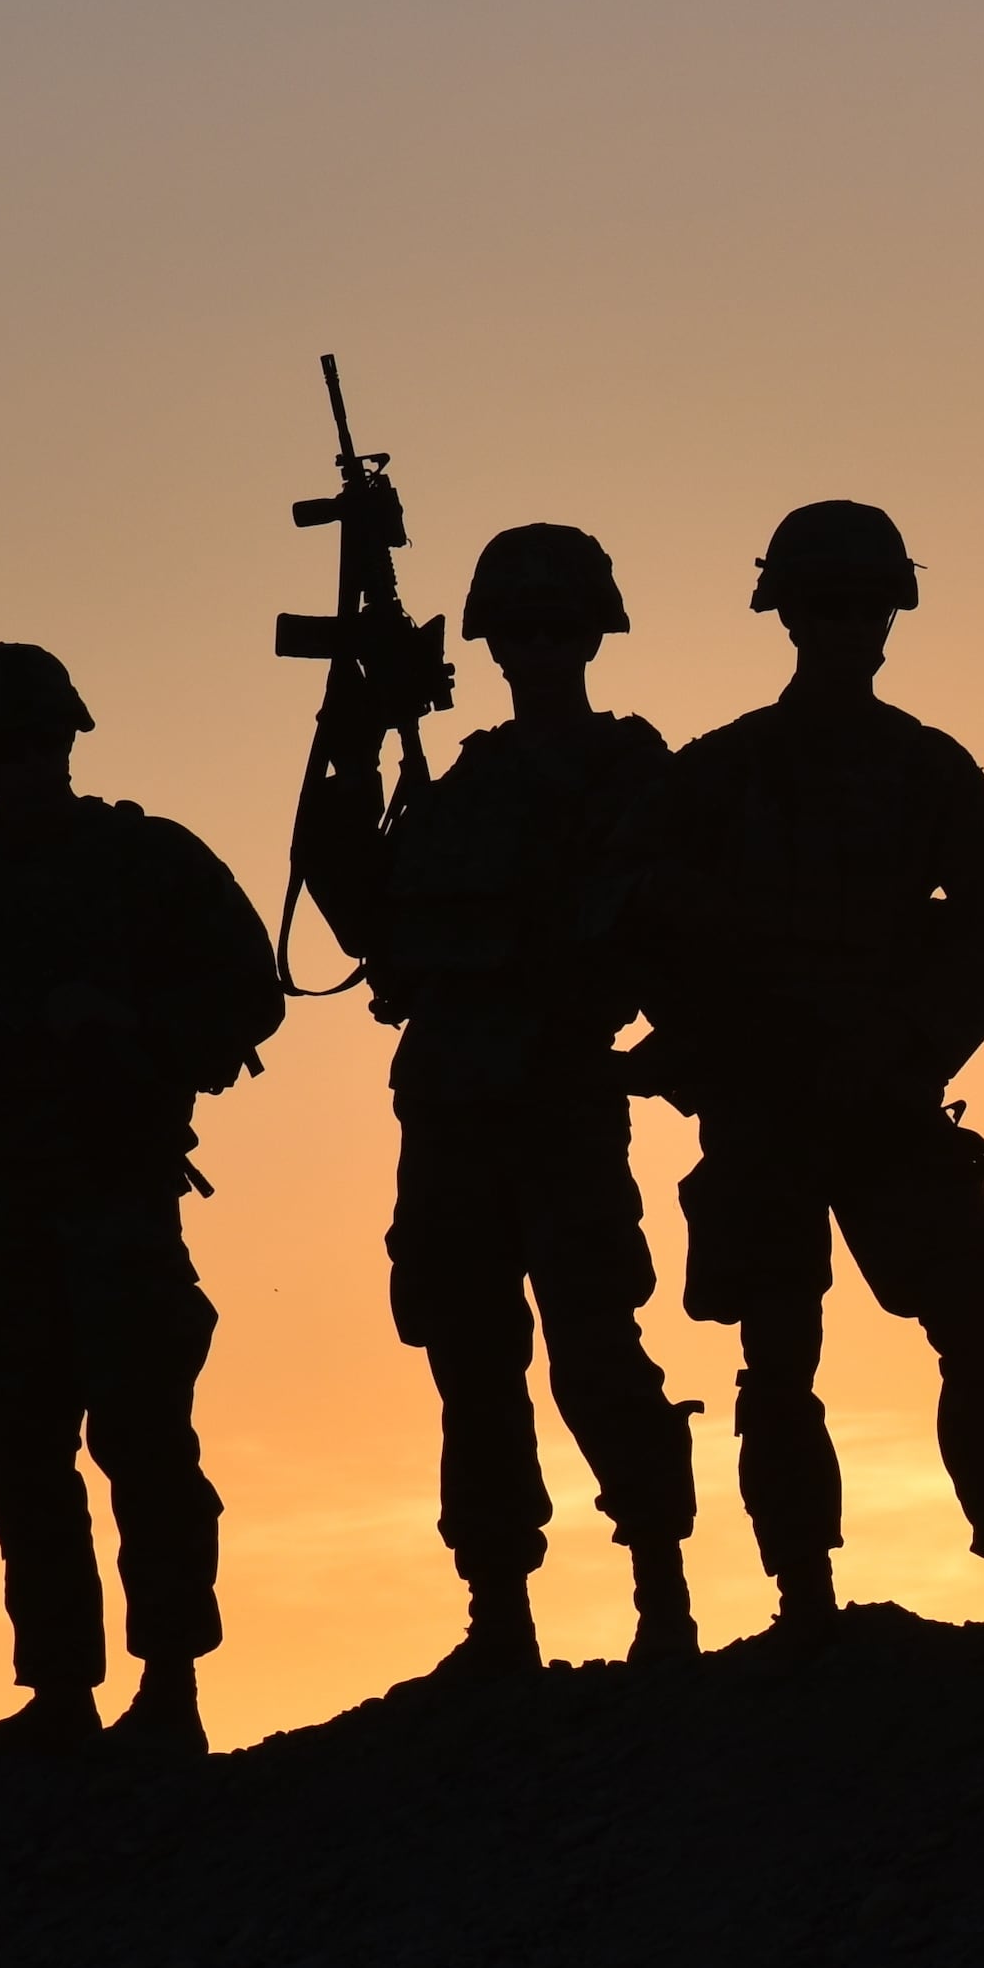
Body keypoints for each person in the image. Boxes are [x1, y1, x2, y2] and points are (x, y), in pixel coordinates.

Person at [637, 502, 984, 1644]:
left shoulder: (925, 768)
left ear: (892, 617)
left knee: (976, 1328)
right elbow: (656, 938)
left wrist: (910, 1055)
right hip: (764, 1108)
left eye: (863, 606)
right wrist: (710, 1052)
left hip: (886, 1100)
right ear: (785, 616)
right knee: (775, 1355)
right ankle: (804, 1603)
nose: (844, 627)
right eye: (823, 605)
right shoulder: (718, 775)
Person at [0, 644, 282, 1759]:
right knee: (21, 1454)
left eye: (30, 742)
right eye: (0, 748)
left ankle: (171, 1686)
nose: (17, 766)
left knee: (143, 1443)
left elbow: (248, 995)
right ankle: (58, 1693)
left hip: (113, 1191)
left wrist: (130, 1025)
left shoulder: (147, 862)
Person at [295, 524, 700, 1688]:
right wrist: (357, 729)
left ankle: (660, 1592)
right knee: (468, 1360)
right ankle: (498, 1611)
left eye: (553, 626)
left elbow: (637, 926)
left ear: (590, 635)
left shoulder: (628, 772)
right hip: (449, 1105)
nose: (532, 648)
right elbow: (360, 914)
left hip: (557, 1094)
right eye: (512, 629)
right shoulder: (457, 782)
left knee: (592, 1346)